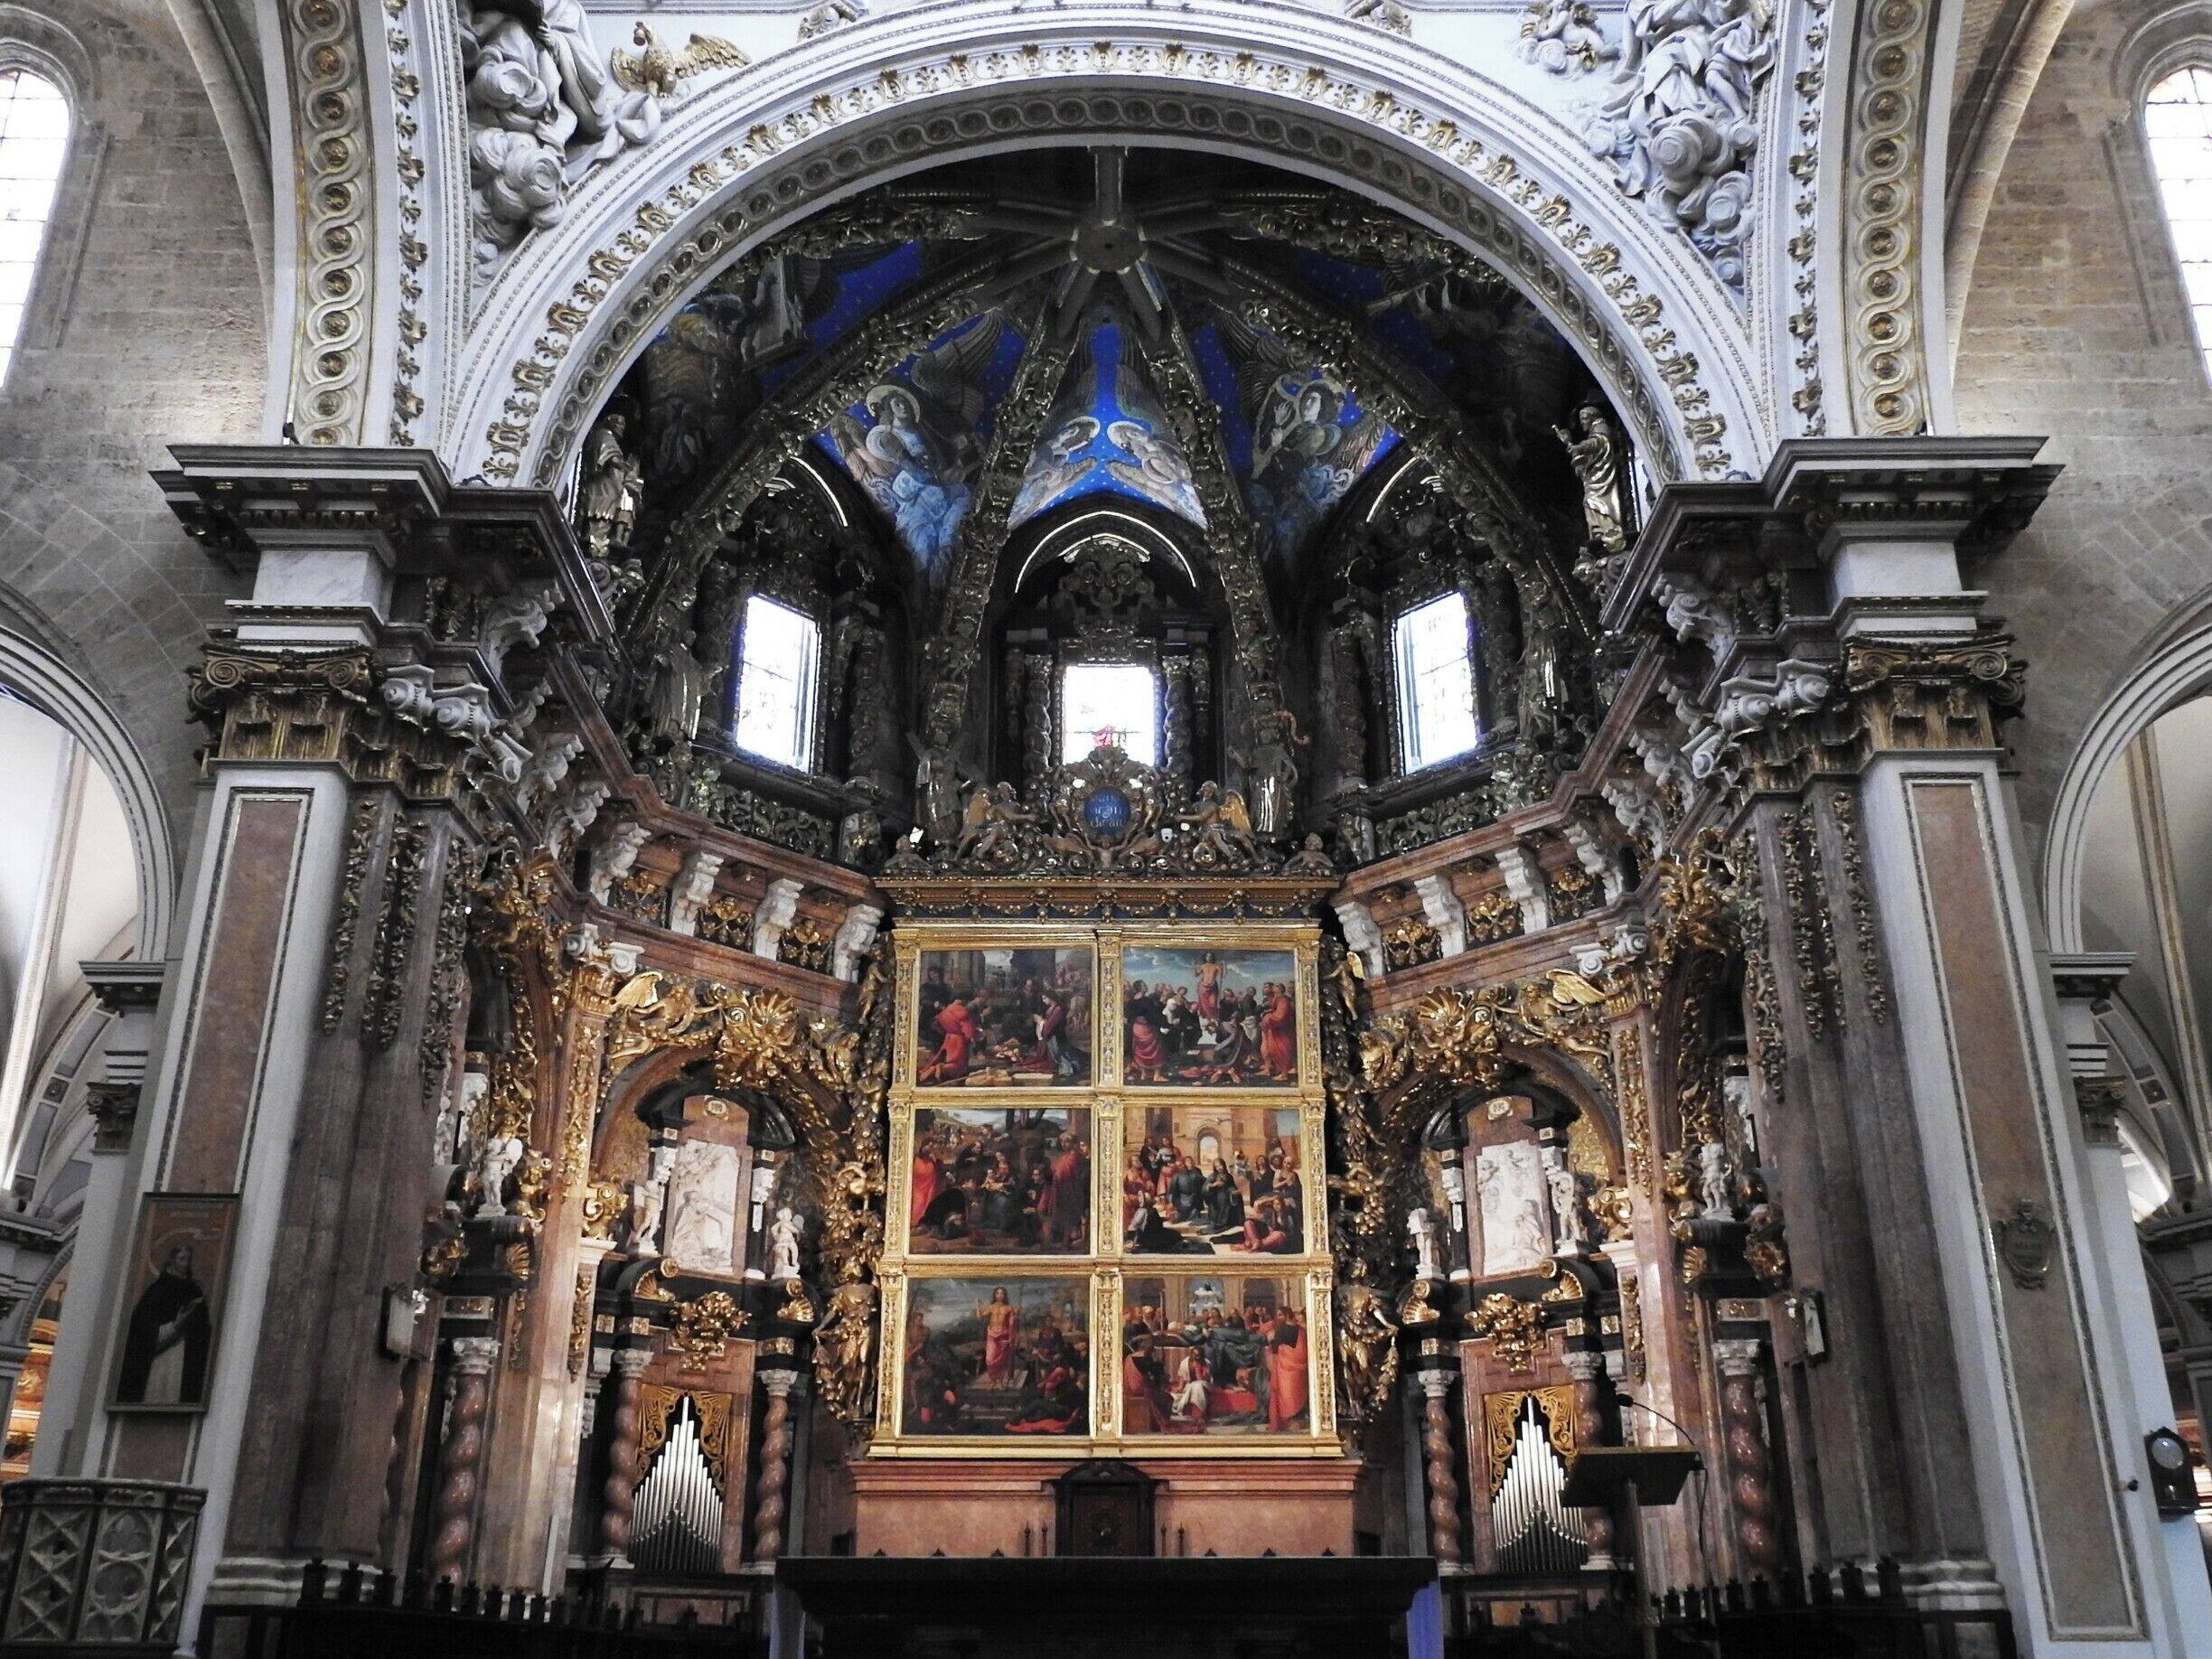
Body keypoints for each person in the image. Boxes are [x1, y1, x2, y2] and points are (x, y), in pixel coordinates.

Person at [116, 1243, 212, 1406]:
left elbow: (203, 1331)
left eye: (188, 1259)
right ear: (172, 1260)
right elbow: (140, 1332)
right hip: (160, 1361)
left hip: (185, 1359)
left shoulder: (194, 1291)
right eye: (182, 1259)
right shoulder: (157, 1291)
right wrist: (176, 1325)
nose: (186, 1264)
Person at [1265, 1308, 1310, 1432]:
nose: (1278, 1317)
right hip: (1293, 1368)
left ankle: (1290, 1422)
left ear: (1286, 1315)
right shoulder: (1300, 1329)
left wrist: (1271, 1341)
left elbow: (1275, 1348)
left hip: (1286, 1368)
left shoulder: (1282, 1329)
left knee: (1287, 1394)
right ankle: (1291, 1422)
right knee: (1290, 1394)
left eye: (1280, 1315)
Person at [921, 993, 980, 1083]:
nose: (968, 1003)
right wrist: (978, 1034)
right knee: (957, 1064)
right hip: (959, 1041)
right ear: (963, 999)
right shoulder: (963, 1012)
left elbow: (936, 1024)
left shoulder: (947, 1010)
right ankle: (939, 1068)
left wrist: (947, 1032)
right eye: (967, 1001)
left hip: (949, 1039)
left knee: (951, 1061)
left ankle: (941, 1071)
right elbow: (969, 1032)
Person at [976, 1287, 1019, 1385]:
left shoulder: (1009, 1308)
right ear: (995, 1295)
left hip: (1003, 1336)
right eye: (998, 1293)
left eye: (1002, 1293)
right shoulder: (991, 1307)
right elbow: (980, 1317)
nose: (1000, 1295)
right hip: (992, 1336)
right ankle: (993, 1380)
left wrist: (1016, 1314)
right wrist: (978, 1306)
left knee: (1001, 1360)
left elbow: (1012, 1324)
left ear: (1005, 1295)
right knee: (990, 1359)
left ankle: (999, 1381)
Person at [1259, 981, 1298, 1080]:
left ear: (1280, 989)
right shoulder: (1277, 998)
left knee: (1281, 1051)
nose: (1273, 987)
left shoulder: (1283, 999)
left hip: (1281, 1030)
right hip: (1275, 1030)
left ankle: (1284, 1074)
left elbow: (1281, 1016)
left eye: (1276, 986)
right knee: (1273, 1049)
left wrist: (1269, 1017)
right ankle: (1280, 1071)